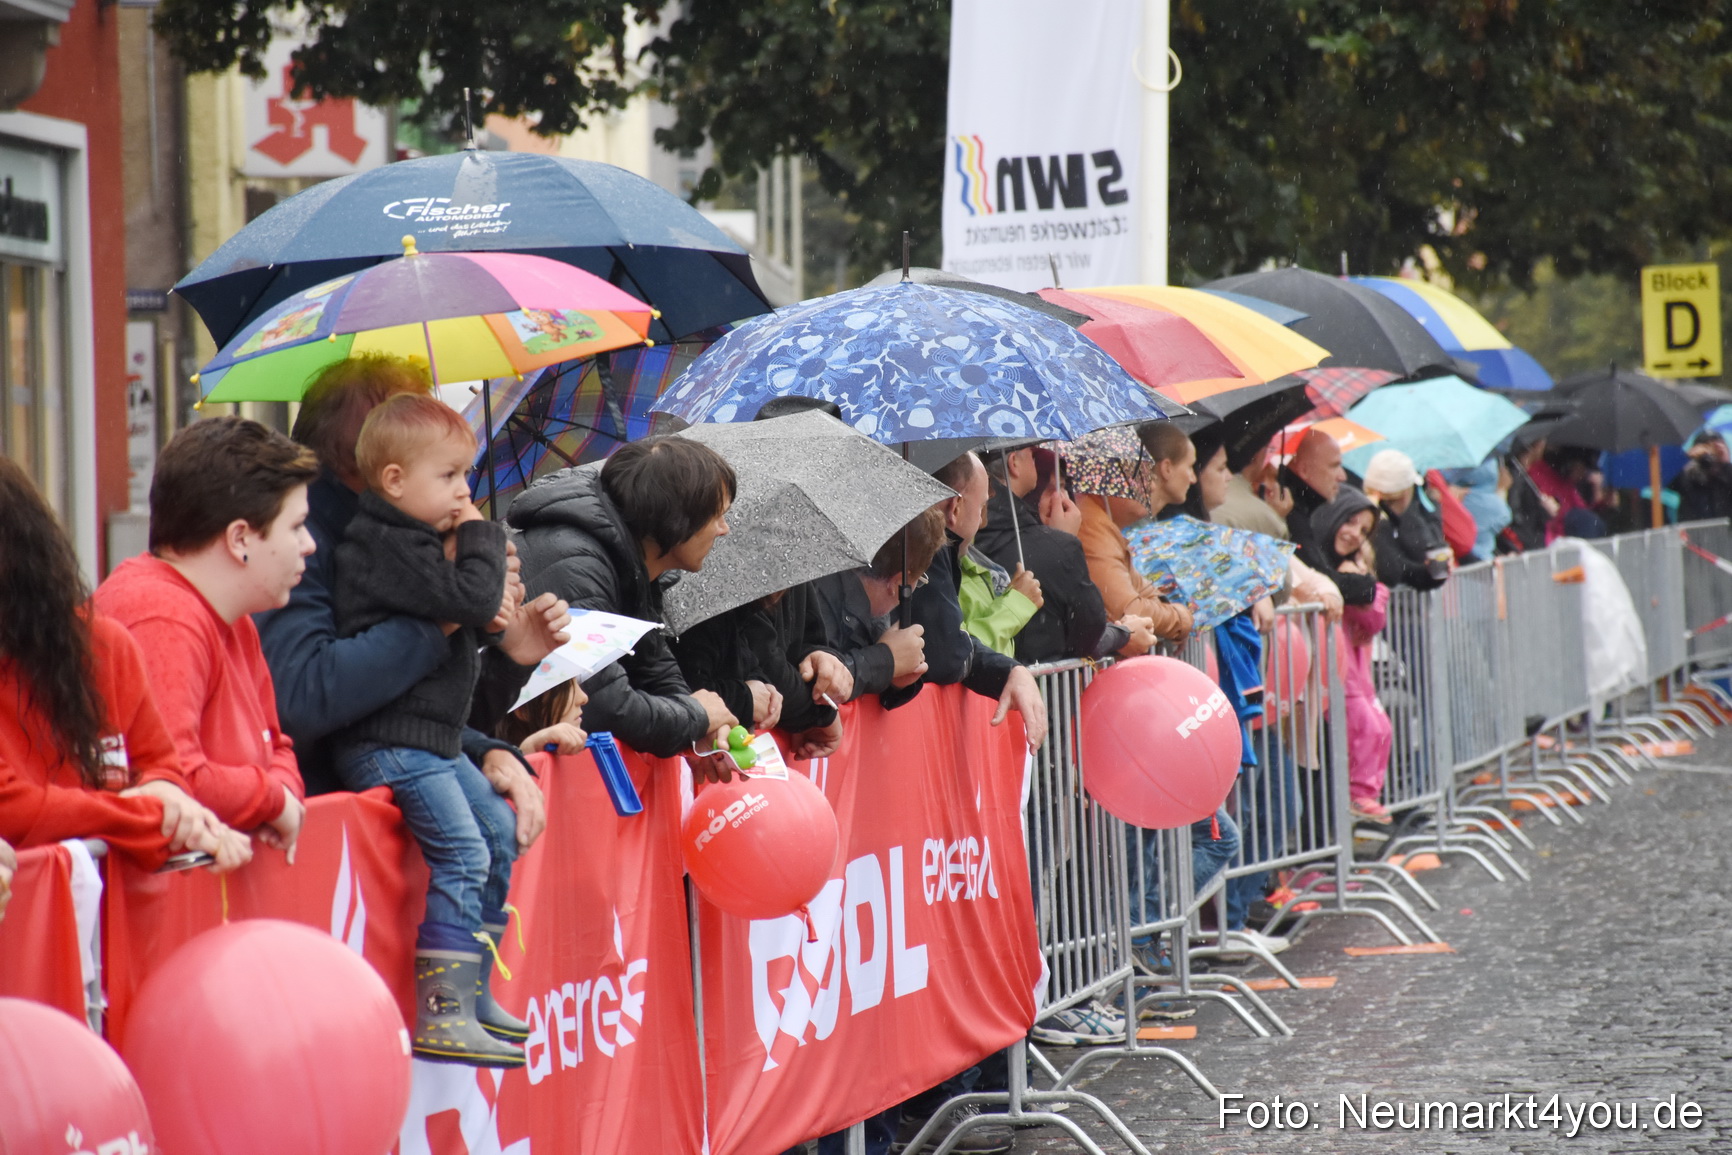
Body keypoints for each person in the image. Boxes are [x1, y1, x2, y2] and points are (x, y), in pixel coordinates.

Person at [328, 393, 552, 1068]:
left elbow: (475, 611)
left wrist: (473, 564)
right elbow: (475, 603)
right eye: (449, 476)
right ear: (394, 481)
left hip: (433, 738)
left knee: (497, 835)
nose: (463, 491)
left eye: (465, 476)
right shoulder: (382, 542)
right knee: (463, 852)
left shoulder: (418, 541)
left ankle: (473, 989)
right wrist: (484, 537)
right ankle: (443, 1010)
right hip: (391, 742)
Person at [257, 355, 558, 814]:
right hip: (324, 822)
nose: (458, 486)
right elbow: (302, 698)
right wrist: (445, 614)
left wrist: (509, 659)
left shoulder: (406, 535)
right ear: (383, 462)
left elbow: (416, 712)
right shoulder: (302, 539)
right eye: (442, 469)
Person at [1, 457, 250, 871]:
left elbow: (163, 770)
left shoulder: (106, 646)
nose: (308, 544)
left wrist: (165, 800)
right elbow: (17, 811)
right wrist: (142, 814)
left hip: (119, 925)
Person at [94, 417, 313, 857]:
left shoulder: (234, 617)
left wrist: (283, 794)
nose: (309, 544)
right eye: (296, 526)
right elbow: (173, 780)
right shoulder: (162, 616)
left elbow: (278, 745)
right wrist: (272, 800)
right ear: (239, 539)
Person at [513, 437, 741, 759]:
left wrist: (697, 730)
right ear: (678, 519)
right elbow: (605, 705)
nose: (724, 529)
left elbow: (651, 663)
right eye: (717, 515)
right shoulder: (577, 564)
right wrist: (695, 717)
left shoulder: (626, 559)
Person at [974, 446, 1123, 662]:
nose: (1060, 496)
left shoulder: (970, 532)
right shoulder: (1052, 546)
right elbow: (1087, 631)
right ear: (1014, 463)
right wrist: (1060, 543)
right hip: (1040, 688)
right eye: (1032, 456)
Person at [1311, 489, 1394, 824]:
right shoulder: (1322, 564)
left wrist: (1368, 585)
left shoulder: (1352, 568)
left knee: (1379, 728)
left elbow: (1373, 620)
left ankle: (1361, 799)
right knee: (1363, 730)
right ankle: (1358, 797)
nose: (1353, 534)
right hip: (1332, 677)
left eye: (1362, 531)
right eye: (1349, 522)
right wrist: (1363, 586)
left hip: (1351, 673)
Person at [1072, 426, 1187, 652]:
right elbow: (1129, 610)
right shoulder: (1092, 526)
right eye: (1141, 473)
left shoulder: (1103, 524)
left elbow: (1145, 594)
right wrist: (1180, 619)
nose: (1152, 485)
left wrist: (1171, 617)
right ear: (1108, 477)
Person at [1281, 428, 1377, 606]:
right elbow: (1319, 576)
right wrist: (1365, 584)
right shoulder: (1291, 513)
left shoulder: (1300, 509)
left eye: (1364, 531)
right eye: (1334, 466)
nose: (1342, 476)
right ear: (1304, 469)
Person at [1362, 449, 1450, 592]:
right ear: (1407, 490)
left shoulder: (1374, 515)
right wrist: (1429, 571)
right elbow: (1392, 571)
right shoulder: (1377, 521)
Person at [1675, 432, 1732, 521]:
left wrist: (1726, 464)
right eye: (1706, 447)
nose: (1710, 456)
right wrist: (1686, 458)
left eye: (1715, 449)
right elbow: (1669, 480)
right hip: (1695, 531)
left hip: (1725, 532)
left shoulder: (1726, 477)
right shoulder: (1688, 477)